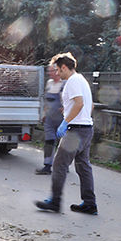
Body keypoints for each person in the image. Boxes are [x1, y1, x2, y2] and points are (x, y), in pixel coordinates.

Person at [35, 52, 97, 215]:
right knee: (83, 166)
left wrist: (66, 121)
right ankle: (90, 204)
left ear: (64, 67)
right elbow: (89, 106)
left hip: (75, 131)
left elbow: (79, 103)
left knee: (59, 165)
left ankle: (55, 202)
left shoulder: (72, 81)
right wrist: (79, 116)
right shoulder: (82, 80)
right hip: (86, 129)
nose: (57, 73)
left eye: (58, 70)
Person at [35, 65, 65, 175]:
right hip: (49, 119)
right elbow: (46, 101)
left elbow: (68, 101)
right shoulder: (49, 83)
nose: (49, 73)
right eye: (48, 71)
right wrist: (43, 114)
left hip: (61, 119)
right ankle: (47, 166)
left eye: (51, 71)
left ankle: (63, 165)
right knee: (49, 141)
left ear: (57, 71)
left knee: (63, 143)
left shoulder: (64, 84)